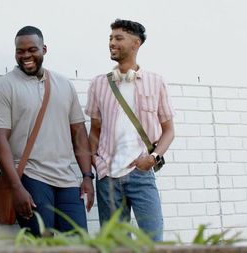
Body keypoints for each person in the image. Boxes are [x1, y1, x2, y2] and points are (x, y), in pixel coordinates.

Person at [0, 26, 94, 236]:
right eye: (20, 51)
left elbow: (79, 133)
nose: (26, 55)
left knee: (78, 242)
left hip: (67, 180)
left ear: (44, 49)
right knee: (41, 243)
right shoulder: (4, 87)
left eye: (32, 49)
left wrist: (87, 176)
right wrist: (16, 187)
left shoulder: (64, 84)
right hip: (30, 178)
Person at [85, 19, 175, 241]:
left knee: (153, 241)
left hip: (142, 173)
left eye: (118, 38)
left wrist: (153, 157)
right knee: (116, 245)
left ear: (136, 43)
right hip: (108, 178)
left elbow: (169, 130)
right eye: (110, 38)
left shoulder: (156, 82)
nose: (111, 43)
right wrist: (96, 162)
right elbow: (94, 130)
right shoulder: (98, 84)